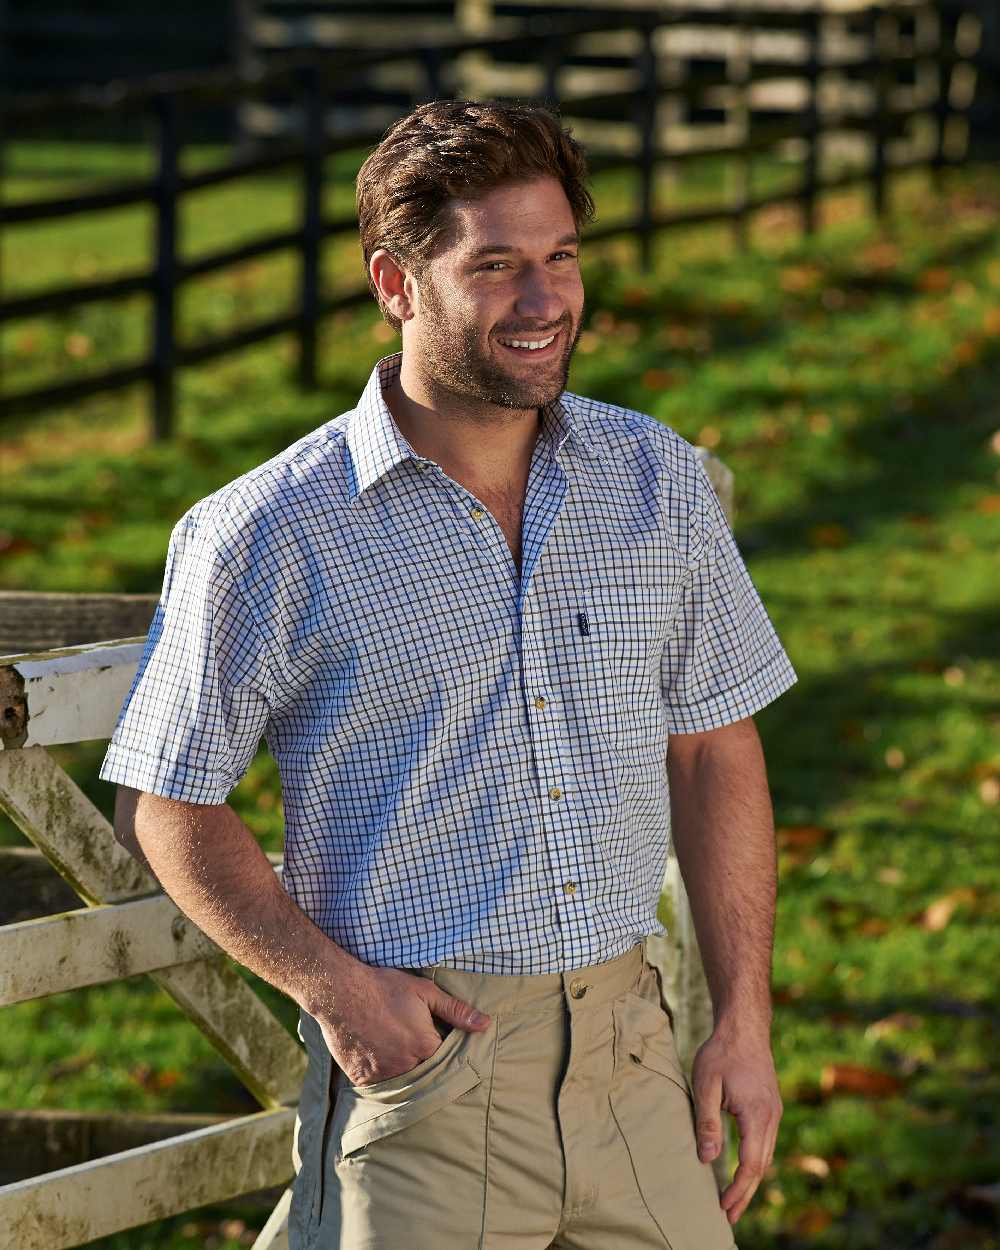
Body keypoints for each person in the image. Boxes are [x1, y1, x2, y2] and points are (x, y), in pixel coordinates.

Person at [103, 98, 798, 1250]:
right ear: (395, 283)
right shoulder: (268, 531)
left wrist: (744, 1021)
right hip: (432, 1069)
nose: (544, 301)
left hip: (634, 1059)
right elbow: (164, 801)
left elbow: (714, 745)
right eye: (496, 267)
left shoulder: (656, 483)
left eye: (560, 257)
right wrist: (337, 989)